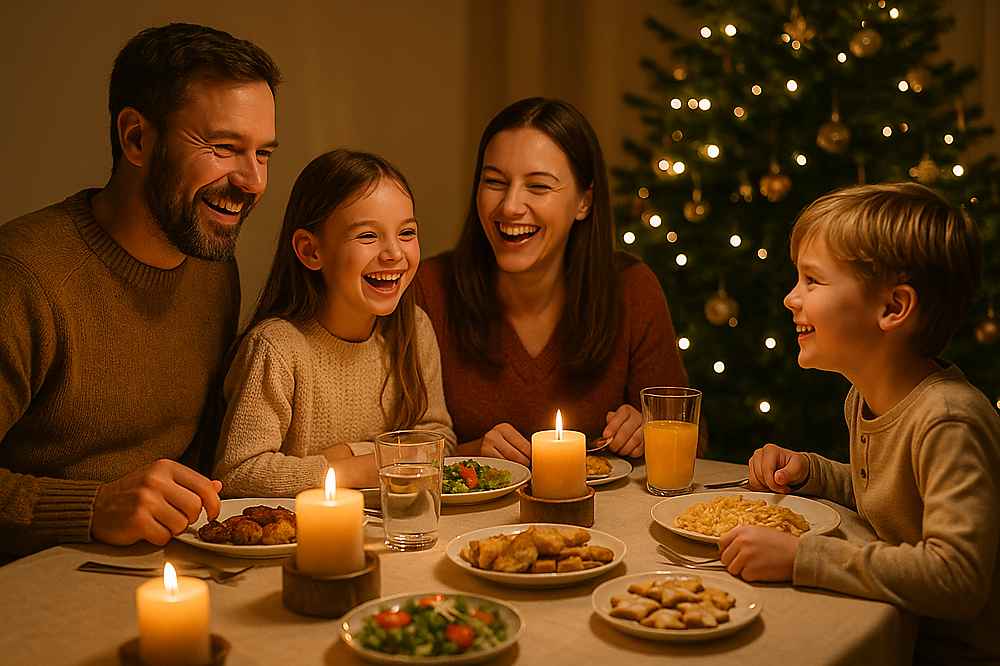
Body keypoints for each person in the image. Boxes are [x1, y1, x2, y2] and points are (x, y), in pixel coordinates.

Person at [0, 23, 280, 556]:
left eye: (263, 153)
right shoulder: (22, 277)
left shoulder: (213, 269)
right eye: (224, 147)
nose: (253, 181)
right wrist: (91, 507)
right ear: (136, 138)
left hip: (166, 570)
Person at [719, 183, 1000, 664]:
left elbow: (957, 578)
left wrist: (800, 557)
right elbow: (897, 502)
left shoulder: (948, 419)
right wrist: (813, 472)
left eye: (812, 280)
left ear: (893, 308)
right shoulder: (863, 398)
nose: (791, 298)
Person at [412, 97, 690, 465]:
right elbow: (391, 449)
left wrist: (648, 431)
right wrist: (467, 456)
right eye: (494, 182)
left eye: (538, 187)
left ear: (584, 202)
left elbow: (687, 438)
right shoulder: (429, 288)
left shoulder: (631, 288)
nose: (510, 206)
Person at [214, 150, 455, 497]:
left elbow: (439, 441)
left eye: (406, 233)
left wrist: (352, 454)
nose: (394, 254)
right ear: (311, 251)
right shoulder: (276, 347)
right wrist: (352, 469)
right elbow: (238, 473)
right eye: (368, 236)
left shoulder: (414, 329)